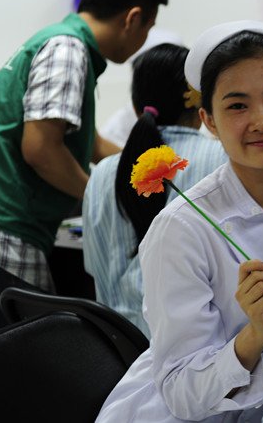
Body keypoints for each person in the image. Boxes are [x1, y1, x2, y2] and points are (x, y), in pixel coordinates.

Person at [95, 21, 263, 423]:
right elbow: (181, 393)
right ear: (209, 121)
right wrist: (253, 336)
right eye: (237, 105)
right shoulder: (182, 229)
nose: (262, 120)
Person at [0, 0, 167, 292]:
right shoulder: (68, 50)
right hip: (0, 224)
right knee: (17, 337)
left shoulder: (65, 44)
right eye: (148, 28)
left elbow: (90, 144)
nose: (144, 39)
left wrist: (147, 169)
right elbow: (40, 149)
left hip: (1, 219)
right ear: (132, 18)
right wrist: (104, 200)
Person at [82, 43, 228, 337]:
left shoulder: (103, 173)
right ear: (201, 104)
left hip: (117, 353)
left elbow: (93, 268)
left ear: (136, 106)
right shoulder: (224, 162)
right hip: (199, 354)